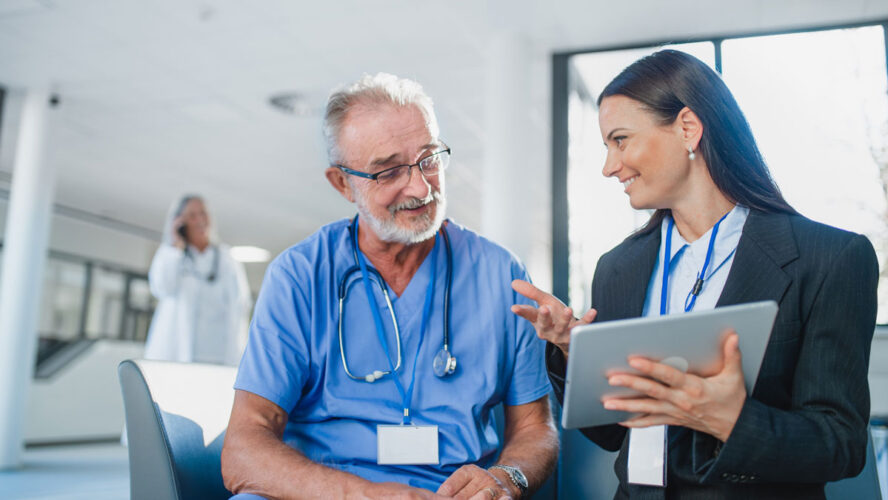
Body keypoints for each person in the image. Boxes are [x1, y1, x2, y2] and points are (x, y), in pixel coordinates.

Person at [512, 50, 879, 498]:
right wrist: (575, 352)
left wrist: (732, 421)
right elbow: (611, 434)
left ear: (688, 128)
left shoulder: (829, 259)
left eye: (620, 140)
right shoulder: (618, 267)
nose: (609, 167)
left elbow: (841, 444)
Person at [221, 73, 557, 500]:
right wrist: (369, 496)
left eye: (429, 159)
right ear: (343, 183)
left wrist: (507, 477)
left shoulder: (499, 274)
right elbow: (243, 451)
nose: (421, 187)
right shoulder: (301, 275)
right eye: (390, 171)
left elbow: (535, 428)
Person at [144, 194, 252, 366]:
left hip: (217, 356)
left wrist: (238, 353)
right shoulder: (170, 254)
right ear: (179, 222)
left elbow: (240, 305)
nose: (200, 220)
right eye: (192, 215)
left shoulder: (226, 259)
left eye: (203, 213)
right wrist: (175, 246)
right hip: (175, 354)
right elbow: (162, 288)